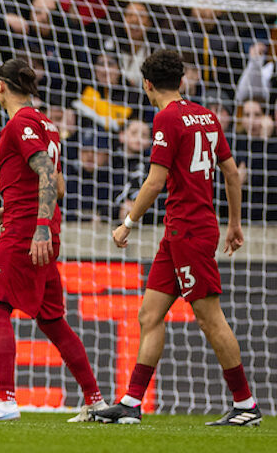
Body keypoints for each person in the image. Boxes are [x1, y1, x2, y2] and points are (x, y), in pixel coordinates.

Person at [94, 50, 261, 426]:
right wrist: (234, 224)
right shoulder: (206, 115)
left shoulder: (166, 118)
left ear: (147, 84)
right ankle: (131, 403)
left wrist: (128, 222)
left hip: (189, 230)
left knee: (210, 318)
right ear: (182, 81)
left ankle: (246, 404)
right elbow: (231, 173)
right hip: (184, 230)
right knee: (149, 314)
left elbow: (155, 180)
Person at [0, 58, 106, 422]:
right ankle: (95, 401)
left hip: (29, 232)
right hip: (37, 224)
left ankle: (6, 400)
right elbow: (57, 183)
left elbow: (45, 171)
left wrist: (37, 224)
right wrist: (6, 207)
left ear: (0, 86)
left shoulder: (20, 123)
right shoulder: (48, 124)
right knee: (53, 320)